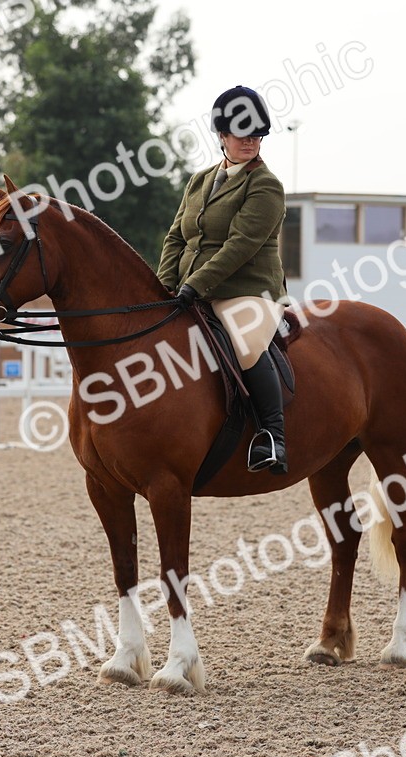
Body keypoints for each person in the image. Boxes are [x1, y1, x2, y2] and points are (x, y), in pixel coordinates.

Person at [157, 85, 288, 474]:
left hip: (247, 291)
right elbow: (177, 236)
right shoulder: (199, 181)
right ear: (222, 136)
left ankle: (273, 438)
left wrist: (193, 284)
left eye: (256, 134)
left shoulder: (265, 185)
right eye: (242, 133)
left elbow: (239, 246)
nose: (250, 141)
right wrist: (164, 285)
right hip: (190, 291)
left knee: (246, 345)